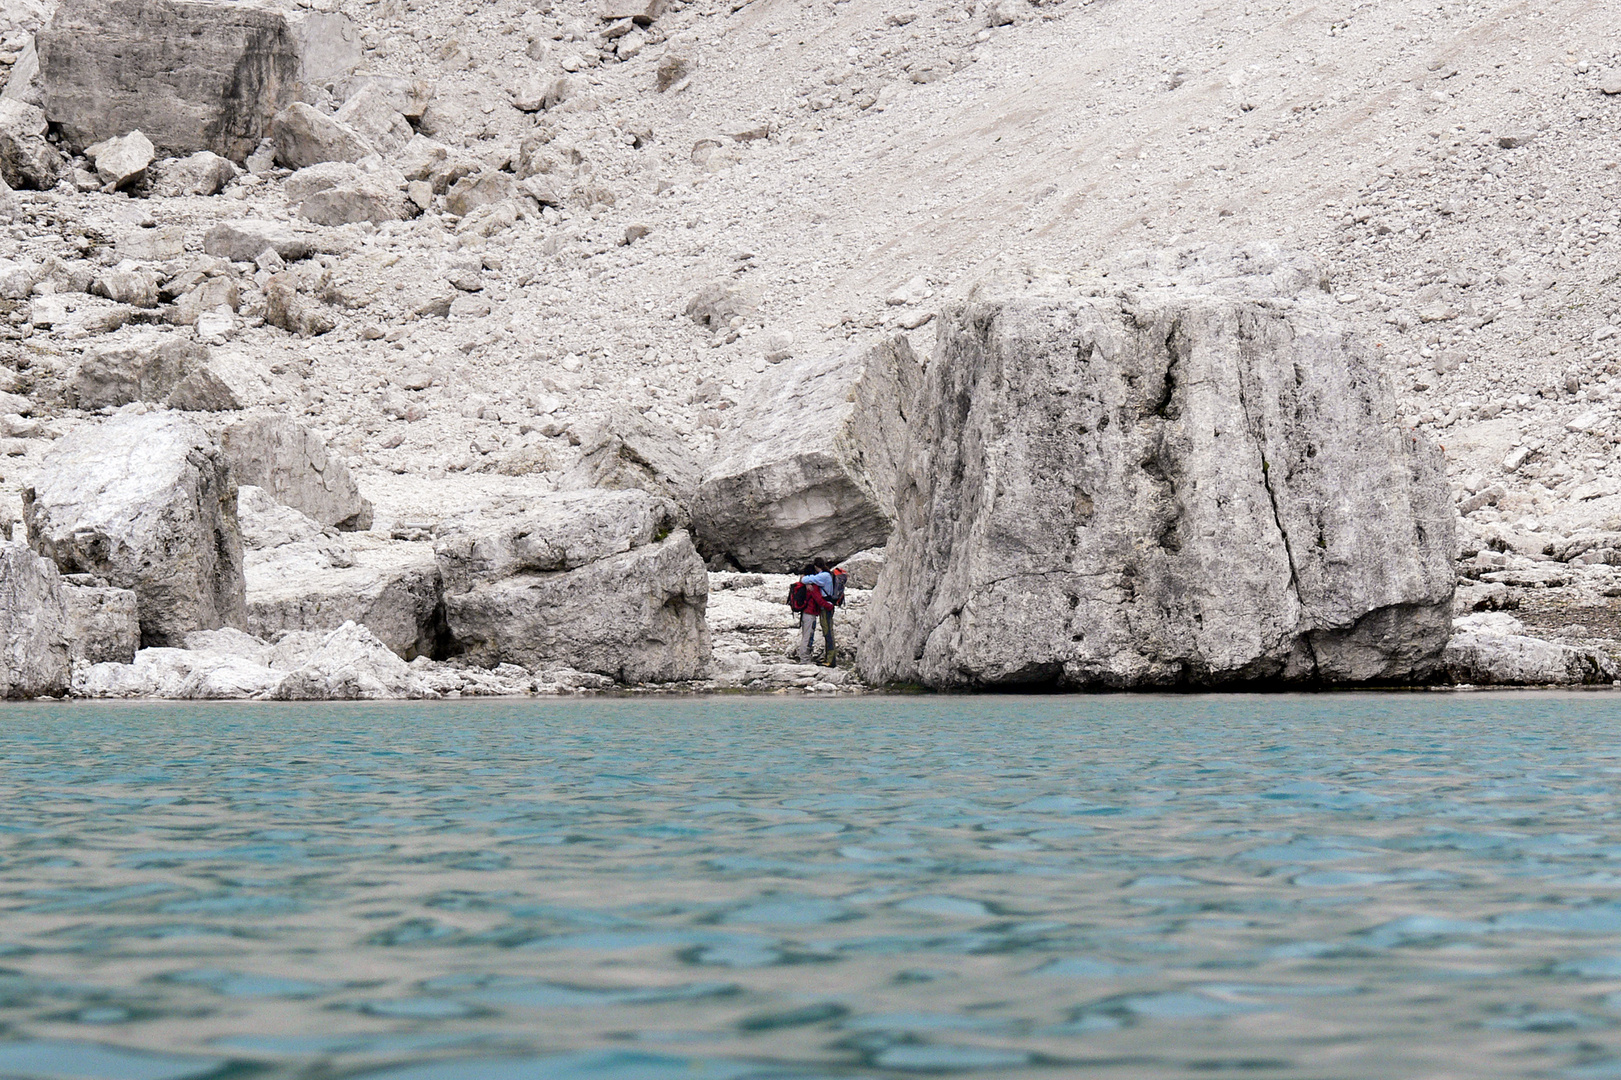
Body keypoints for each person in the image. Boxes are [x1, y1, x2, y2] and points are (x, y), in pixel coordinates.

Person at [800, 560, 839, 667]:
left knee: (827, 633)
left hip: (818, 610)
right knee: (819, 634)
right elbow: (817, 597)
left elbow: (804, 580)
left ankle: (830, 660)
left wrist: (804, 578)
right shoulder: (825, 576)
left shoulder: (822, 576)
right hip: (816, 610)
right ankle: (823, 658)